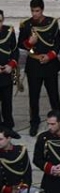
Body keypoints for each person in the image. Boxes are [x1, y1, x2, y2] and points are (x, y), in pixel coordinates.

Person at [17, 0, 60, 137]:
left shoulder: (52, 23)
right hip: (34, 64)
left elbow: (58, 42)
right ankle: (34, 122)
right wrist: (30, 44)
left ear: (42, 10)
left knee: (53, 95)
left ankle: (59, 121)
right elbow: (20, 44)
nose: (35, 14)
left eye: (37, 11)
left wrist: (50, 55)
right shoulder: (26, 25)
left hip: (49, 64)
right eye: (32, 11)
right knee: (33, 96)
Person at [0, 10, 20, 138]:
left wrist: (11, 65)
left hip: (6, 73)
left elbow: (14, 50)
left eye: (0, 21)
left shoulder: (9, 31)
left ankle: (8, 128)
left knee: (7, 103)